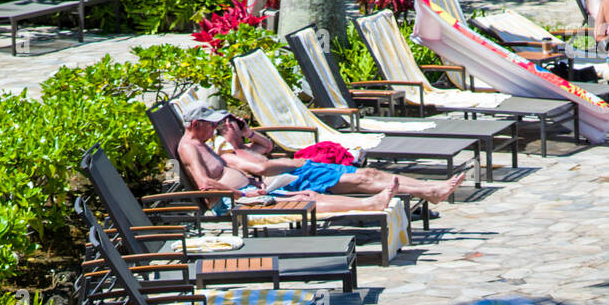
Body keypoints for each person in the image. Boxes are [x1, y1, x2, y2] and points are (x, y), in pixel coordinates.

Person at [178, 101, 466, 209]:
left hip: (271, 183)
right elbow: (208, 184)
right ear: (196, 125)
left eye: (220, 123)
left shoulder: (206, 145)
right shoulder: (205, 148)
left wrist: (248, 133)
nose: (217, 127)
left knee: (368, 176)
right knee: (363, 178)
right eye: (213, 124)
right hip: (249, 196)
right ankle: (405, 196)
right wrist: (245, 192)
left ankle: (427, 189)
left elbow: (265, 149)